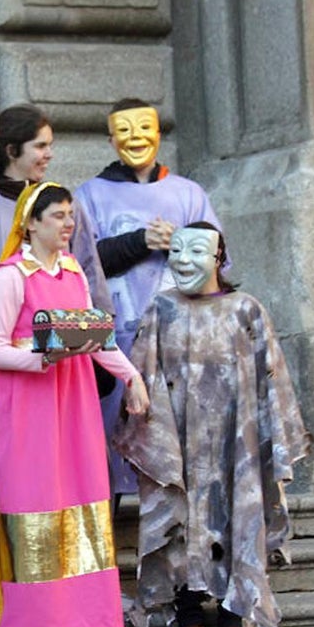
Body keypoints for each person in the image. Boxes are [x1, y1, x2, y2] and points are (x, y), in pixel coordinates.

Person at [113, 222, 310, 627]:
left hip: (235, 444)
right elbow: (141, 374)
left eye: (196, 252)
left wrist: (273, 439)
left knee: (237, 520)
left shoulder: (246, 310)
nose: (184, 260)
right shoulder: (161, 309)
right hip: (178, 440)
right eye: (176, 251)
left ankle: (232, 620)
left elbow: (271, 376)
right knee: (181, 523)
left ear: (219, 259)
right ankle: (189, 621)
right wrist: (143, 422)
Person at [0, 182, 149, 627]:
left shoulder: (74, 270)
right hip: (28, 407)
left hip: (73, 405)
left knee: (78, 514)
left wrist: (132, 377)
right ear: (30, 223)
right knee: (33, 516)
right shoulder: (11, 277)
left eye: (70, 214)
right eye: (57, 215)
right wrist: (41, 357)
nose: (68, 223)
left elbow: (98, 339)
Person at [0, 103, 109, 540]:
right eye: (40, 145)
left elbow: (90, 274)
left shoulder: (63, 204)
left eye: (50, 145)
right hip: (10, 362)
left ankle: (71, 546)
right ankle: (14, 552)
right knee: (14, 463)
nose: (48, 154)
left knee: (69, 458)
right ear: (12, 150)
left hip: (68, 362)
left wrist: (99, 348)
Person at [74, 98, 220, 498]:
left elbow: (217, 259)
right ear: (110, 139)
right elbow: (80, 263)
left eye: (144, 128)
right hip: (115, 339)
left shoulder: (188, 193)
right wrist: (140, 241)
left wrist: (183, 242)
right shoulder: (89, 195)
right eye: (124, 130)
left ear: (158, 132)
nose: (135, 138)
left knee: (177, 431)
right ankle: (108, 511)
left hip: (179, 336)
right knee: (112, 429)